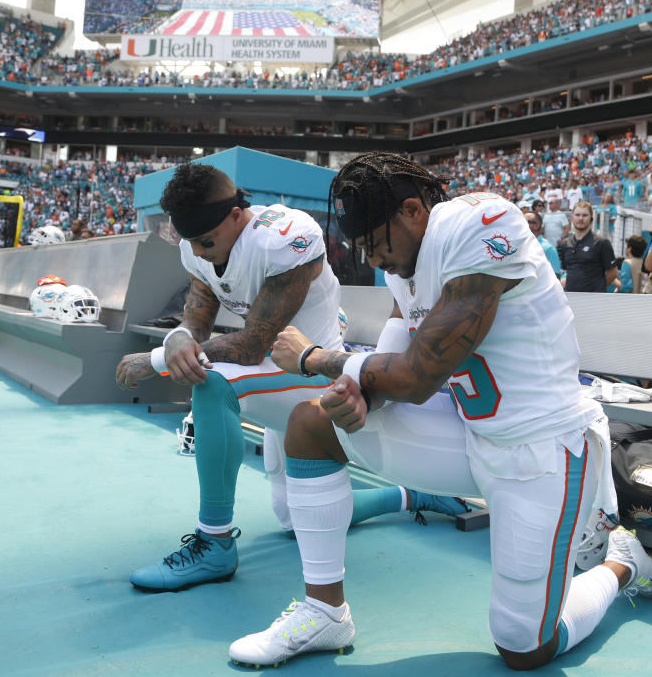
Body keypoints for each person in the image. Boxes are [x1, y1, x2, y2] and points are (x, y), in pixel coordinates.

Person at [229, 153, 652, 670]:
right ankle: (325, 612)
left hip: (543, 449)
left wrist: (315, 357)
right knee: (311, 420)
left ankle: (621, 564)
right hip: (465, 433)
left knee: (524, 648)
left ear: (413, 210)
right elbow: (387, 375)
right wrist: (357, 395)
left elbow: (416, 376)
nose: (373, 260)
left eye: (374, 243)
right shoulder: (406, 262)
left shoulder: (478, 224)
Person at [113, 163, 463, 592]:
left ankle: (214, 543)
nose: (201, 252)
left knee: (214, 380)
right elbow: (197, 315)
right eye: (193, 244)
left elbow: (253, 344)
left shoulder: (286, 238)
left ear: (237, 216)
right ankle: (412, 495)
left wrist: (155, 360)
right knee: (293, 518)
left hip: (311, 369)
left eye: (207, 241)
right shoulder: (198, 248)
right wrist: (179, 338)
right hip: (272, 375)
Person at [559, 201, 617, 292]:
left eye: (585, 215)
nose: (581, 218)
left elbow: (613, 273)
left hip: (594, 300)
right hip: (571, 298)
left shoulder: (601, 243)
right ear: (572, 218)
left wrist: (598, 288)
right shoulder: (565, 244)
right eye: (577, 215)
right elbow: (566, 271)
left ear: (591, 219)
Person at [524, 210, 561, 281]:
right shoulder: (520, 245)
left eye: (524, 222)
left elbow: (555, 276)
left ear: (536, 225)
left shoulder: (548, 248)